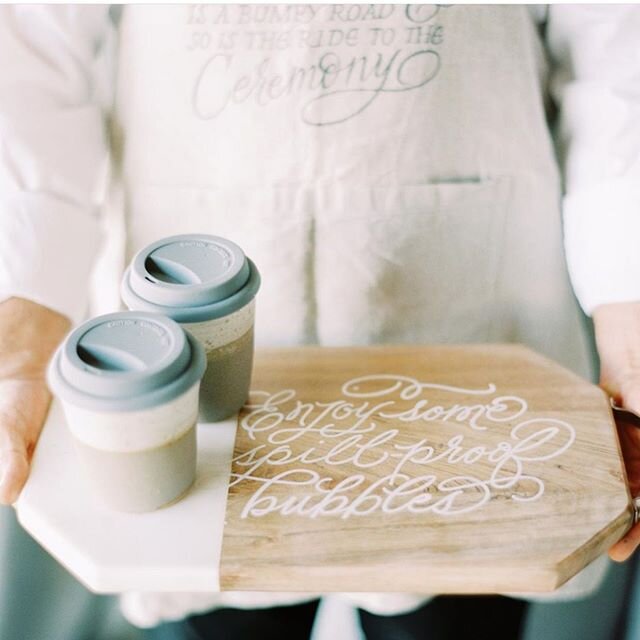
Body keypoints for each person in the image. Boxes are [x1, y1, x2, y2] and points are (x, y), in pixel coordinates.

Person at [1, 4, 639, 640]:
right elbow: (31, 49)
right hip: (183, 340)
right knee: (215, 601)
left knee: (455, 603)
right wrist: (20, 343)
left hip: (474, 315)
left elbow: (617, 46)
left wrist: (632, 323)